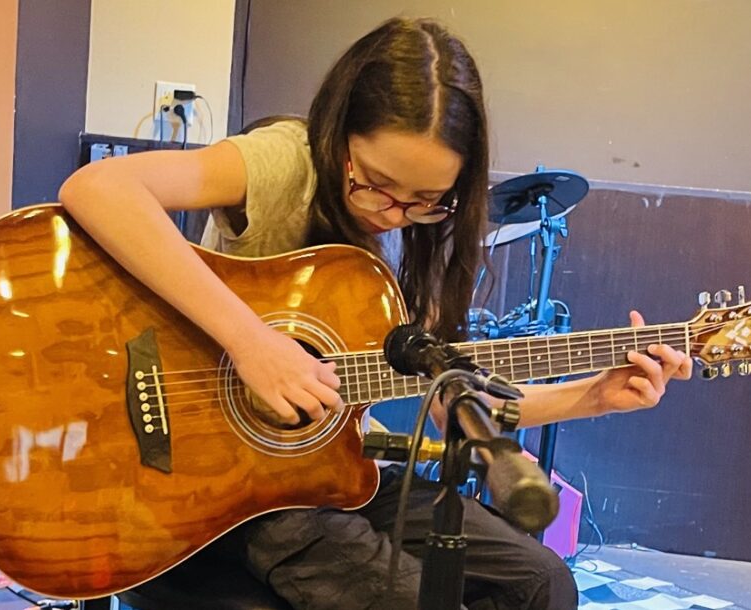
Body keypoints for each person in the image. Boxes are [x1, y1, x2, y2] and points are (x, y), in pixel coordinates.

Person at [59, 16, 692, 610]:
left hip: (327, 472)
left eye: (424, 200)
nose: (392, 213)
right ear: (340, 132)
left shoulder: (418, 243)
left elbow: (448, 400)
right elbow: (98, 189)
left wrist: (595, 396)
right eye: (375, 182)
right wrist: (252, 343)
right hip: (227, 484)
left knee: (541, 582)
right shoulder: (285, 161)